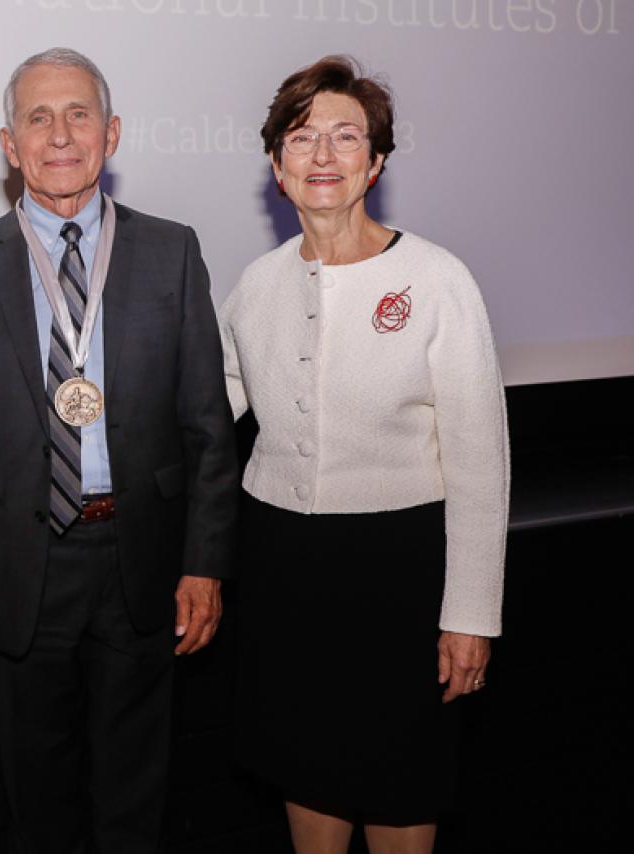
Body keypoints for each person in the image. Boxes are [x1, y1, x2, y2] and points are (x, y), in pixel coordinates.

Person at [0, 48, 238, 854]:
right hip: (16, 567)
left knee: (137, 789)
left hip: (144, 557)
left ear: (112, 134)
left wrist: (205, 562)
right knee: (35, 794)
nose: (61, 134)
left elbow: (207, 427)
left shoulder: (173, 252)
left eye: (79, 114)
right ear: (9, 143)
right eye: (38, 118)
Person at [220, 56, 509, 853]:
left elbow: (482, 465)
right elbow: (206, 418)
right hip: (284, 571)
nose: (323, 155)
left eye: (345, 137)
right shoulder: (255, 284)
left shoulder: (438, 280)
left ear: (375, 162)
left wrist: (470, 615)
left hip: (401, 575)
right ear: (277, 166)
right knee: (303, 770)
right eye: (302, 137)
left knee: (399, 779)